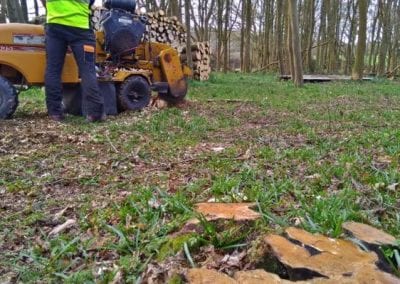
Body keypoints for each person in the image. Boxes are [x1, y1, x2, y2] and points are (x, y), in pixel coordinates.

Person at [41, 0, 105, 122]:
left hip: (55, 25)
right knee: (87, 70)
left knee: (53, 69)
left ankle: (55, 113)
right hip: (80, 27)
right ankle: (95, 113)